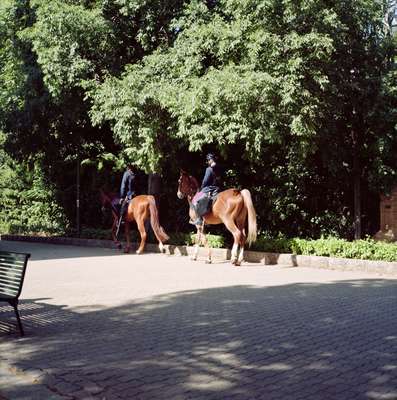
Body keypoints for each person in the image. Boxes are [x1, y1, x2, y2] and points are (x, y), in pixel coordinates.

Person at [191, 153, 222, 226]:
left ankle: (199, 219)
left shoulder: (209, 169)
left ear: (210, 160)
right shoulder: (219, 168)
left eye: (208, 160)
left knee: (194, 199)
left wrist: (202, 187)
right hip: (217, 189)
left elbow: (205, 181)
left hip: (208, 189)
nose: (208, 161)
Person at [116, 165, 136, 237]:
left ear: (127, 167)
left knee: (122, 206)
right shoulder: (134, 174)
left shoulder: (126, 173)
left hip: (129, 195)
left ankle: (122, 221)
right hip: (135, 194)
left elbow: (123, 186)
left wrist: (122, 196)